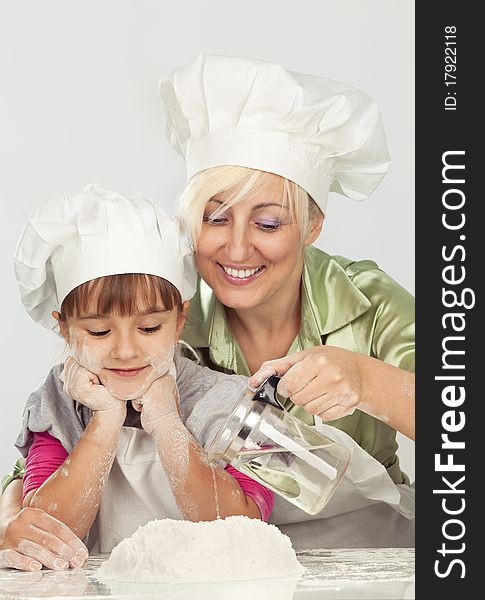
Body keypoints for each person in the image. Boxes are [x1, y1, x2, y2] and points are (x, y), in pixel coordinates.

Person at [158, 54, 415, 547]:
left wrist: (368, 382)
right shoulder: (166, 313)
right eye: (215, 219)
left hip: (375, 556)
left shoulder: (369, 300)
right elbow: (61, 421)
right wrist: (12, 502)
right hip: (227, 560)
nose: (235, 248)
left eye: (268, 223)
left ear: (313, 225)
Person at [3, 183, 273, 568]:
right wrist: (105, 420)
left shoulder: (230, 402)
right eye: (99, 332)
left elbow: (242, 532)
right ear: (65, 329)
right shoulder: (57, 402)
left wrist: (167, 424)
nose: (126, 351)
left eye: (149, 328)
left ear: (180, 320)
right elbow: (46, 538)